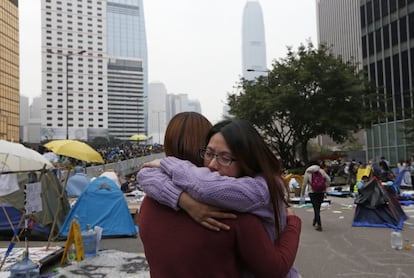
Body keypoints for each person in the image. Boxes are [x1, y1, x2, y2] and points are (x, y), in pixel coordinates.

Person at [138, 113, 301, 277]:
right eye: (208, 153)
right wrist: (294, 222)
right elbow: (275, 269)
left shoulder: (149, 204)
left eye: (225, 158)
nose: (212, 166)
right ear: (203, 146)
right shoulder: (233, 216)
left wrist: (169, 168)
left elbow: (148, 175)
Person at [300, 161, 330, 231]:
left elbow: (304, 184)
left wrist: (302, 193)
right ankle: (315, 219)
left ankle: (319, 224)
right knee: (318, 208)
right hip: (321, 192)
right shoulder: (321, 171)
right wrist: (325, 187)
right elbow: (328, 179)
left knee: (315, 208)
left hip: (312, 192)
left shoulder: (308, 172)